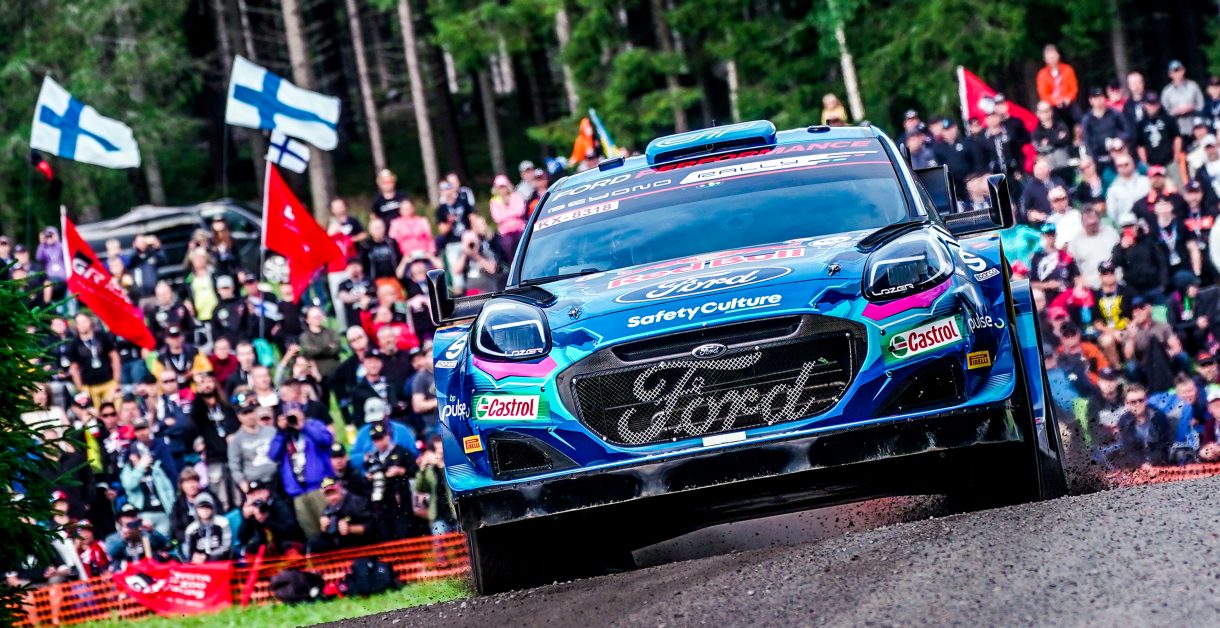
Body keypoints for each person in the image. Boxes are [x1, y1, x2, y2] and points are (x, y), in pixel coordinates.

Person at [267, 404, 334, 538]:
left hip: (320, 487)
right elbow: (273, 455)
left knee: (330, 527)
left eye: (295, 413)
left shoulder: (313, 425)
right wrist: (281, 432)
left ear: (302, 412)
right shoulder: (284, 434)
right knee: (312, 533)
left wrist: (304, 426)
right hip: (298, 492)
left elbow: (327, 440)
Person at [119, 420, 177, 537]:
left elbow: (169, 483)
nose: (141, 433)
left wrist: (171, 507)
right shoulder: (129, 463)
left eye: (143, 429)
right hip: (143, 514)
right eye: (138, 430)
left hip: (163, 512)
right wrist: (140, 467)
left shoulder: (158, 458)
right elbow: (129, 484)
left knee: (164, 541)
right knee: (147, 541)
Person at [362, 421, 419, 540]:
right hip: (382, 504)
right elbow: (366, 483)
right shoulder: (371, 458)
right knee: (387, 535)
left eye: (380, 438)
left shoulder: (402, 452)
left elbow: (415, 470)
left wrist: (401, 471)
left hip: (401, 500)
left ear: (387, 436)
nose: (378, 442)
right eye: (375, 440)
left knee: (405, 534)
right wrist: (369, 478)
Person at [190, 372, 238, 510]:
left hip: (231, 456)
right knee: (222, 499)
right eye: (204, 383)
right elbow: (194, 414)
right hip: (214, 458)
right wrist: (199, 391)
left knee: (238, 496)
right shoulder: (200, 409)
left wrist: (231, 434)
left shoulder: (225, 405)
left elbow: (234, 423)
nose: (207, 385)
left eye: (210, 382)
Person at [1124, 297, 1185, 391]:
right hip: (1144, 366)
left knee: (1182, 357)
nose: (1137, 313)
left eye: (1141, 309)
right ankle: (1141, 390)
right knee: (1131, 367)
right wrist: (1131, 337)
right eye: (1134, 311)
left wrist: (1169, 353)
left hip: (1164, 362)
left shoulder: (1162, 326)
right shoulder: (1131, 330)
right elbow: (1128, 356)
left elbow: (1176, 347)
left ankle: (1182, 383)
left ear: (1149, 309)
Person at [236, 479, 305, 557]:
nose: (257, 497)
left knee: (288, 547)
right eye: (253, 494)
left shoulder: (278, 504)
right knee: (250, 550)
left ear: (267, 492)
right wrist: (246, 519)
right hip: (267, 546)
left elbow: (290, 529)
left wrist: (265, 520)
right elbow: (242, 539)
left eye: (259, 493)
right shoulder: (253, 510)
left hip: (287, 542)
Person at [227, 393, 278, 494]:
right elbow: (234, 466)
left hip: (277, 479)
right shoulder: (236, 440)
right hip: (255, 485)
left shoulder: (271, 431)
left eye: (251, 412)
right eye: (245, 413)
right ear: (239, 417)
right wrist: (242, 483)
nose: (249, 416)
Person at [67, 312, 121, 406]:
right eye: (78, 323)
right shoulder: (74, 344)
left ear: (90, 321)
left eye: (84, 322)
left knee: (113, 409)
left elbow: (114, 357)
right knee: (94, 411)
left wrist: (116, 379)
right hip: (89, 386)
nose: (81, 325)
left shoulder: (102, 337)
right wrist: (80, 388)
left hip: (108, 382)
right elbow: (74, 368)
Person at [309, 477, 373, 553]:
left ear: (341, 490)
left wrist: (350, 529)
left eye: (333, 493)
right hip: (340, 548)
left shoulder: (356, 502)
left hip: (362, 546)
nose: (332, 498)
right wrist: (323, 529)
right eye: (328, 495)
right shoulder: (327, 510)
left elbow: (373, 526)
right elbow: (327, 537)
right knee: (313, 543)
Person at [1118, 384, 1173, 467]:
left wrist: (1151, 462)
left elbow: (1164, 446)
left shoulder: (1159, 417)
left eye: (1141, 400)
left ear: (1146, 400)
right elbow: (1128, 450)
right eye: (1133, 402)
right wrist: (1141, 464)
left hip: (1160, 463)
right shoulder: (1124, 421)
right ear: (1126, 404)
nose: (1138, 404)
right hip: (1136, 465)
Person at [1068, 205, 1119, 288]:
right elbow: (1071, 267)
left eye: (1093, 218)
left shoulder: (1110, 232)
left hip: (1116, 282)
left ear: (1099, 219)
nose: (1091, 222)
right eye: (1087, 220)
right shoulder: (1075, 241)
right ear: (1082, 222)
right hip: (1092, 286)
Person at [413, 435, 456, 535]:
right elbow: (420, 488)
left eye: (442, 448)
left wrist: (441, 465)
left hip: (455, 513)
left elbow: (453, 482)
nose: (440, 452)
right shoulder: (430, 470)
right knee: (439, 540)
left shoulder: (454, 464)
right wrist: (422, 468)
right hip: (438, 515)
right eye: (437, 449)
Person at [1082, 86, 1133, 170]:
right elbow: (1087, 141)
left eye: (1100, 97)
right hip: (1100, 158)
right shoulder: (1087, 120)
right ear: (1091, 101)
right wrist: (1093, 159)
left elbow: (1127, 130)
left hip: (1118, 155)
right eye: (1095, 98)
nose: (1098, 100)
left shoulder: (1114, 113)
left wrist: (1120, 139)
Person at [1136, 92, 1183, 179]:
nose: (1152, 106)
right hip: (1152, 165)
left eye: (1154, 103)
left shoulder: (1168, 119)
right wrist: (1145, 163)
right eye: (1149, 104)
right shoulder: (1141, 124)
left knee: (1177, 185)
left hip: (1170, 162)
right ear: (1145, 105)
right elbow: (1140, 145)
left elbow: (1177, 138)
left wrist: (1176, 157)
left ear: (1159, 104)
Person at [456, 215, 507, 295]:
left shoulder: (488, 244)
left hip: (487, 284)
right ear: (474, 228)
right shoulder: (468, 244)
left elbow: (492, 269)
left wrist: (476, 256)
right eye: (481, 225)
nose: (484, 227)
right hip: (472, 284)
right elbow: (457, 270)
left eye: (484, 224)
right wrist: (465, 252)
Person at [182, 493, 231, 563]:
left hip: (220, 562)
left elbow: (226, 547)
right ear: (196, 509)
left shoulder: (223, 523)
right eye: (201, 507)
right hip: (198, 564)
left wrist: (207, 557)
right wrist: (194, 557)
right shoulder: (190, 529)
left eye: (208, 507)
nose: (205, 510)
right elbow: (188, 550)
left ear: (213, 508)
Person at [1037, 44, 1078, 125]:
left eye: (1053, 56)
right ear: (1045, 59)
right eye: (1049, 57)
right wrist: (1055, 101)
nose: (1051, 59)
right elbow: (1043, 94)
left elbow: (1074, 88)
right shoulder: (1042, 74)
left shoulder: (1068, 69)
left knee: (1079, 117)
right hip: (1053, 106)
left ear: (1058, 55)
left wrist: (1068, 99)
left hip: (1068, 103)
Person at [1162, 60, 1205, 138]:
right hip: (1176, 131)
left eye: (1179, 70)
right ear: (1170, 74)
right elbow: (1164, 112)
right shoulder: (1167, 92)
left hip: (1194, 128)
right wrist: (1173, 112)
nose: (1177, 73)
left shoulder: (1193, 86)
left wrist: (1192, 107)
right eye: (1174, 71)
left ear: (1183, 70)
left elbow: (1201, 105)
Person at [489, 174, 528, 259]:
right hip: (505, 234)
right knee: (509, 251)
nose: (502, 189)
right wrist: (511, 213)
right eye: (500, 187)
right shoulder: (494, 201)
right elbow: (497, 218)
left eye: (503, 186)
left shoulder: (516, 196)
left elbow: (520, 211)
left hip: (520, 229)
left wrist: (506, 213)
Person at [1105, 155, 1150, 227]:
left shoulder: (1146, 181)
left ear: (1133, 165)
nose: (1124, 167)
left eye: (1126, 164)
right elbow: (1112, 213)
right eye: (1120, 166)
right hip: (1126, 225)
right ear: (1117, 168)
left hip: (1148, 223)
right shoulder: (1113, 189)